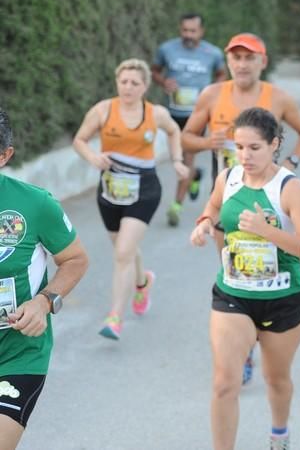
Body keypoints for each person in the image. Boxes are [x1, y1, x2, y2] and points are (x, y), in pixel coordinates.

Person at [191, 108, 300, 450]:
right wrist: (203, 222)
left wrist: (265, 231)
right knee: (224, 384)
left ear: (274, 145)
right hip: (233, 294)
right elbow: (214, 207)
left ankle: (279, 433)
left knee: (276, 380)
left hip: (283, 298)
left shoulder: (289, 188)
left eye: (255, 148)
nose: (245, 156)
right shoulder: (227, 178)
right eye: (240, 147)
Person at [73, 59, 189, 339]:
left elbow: (174, 131)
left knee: (123, 251)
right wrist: (93, 157)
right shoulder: (103, 110)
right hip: (110, 189)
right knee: (125, 247)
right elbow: (80, 140)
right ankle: (143, 281)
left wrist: (177, 160)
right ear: (117, 83)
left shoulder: (156, 113)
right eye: (123, 81)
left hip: (145, 188)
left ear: (145, 86)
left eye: (134, 83)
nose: (128, 87)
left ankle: (114, 317)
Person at [0, 108, 89, 450]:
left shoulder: (34, 204)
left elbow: (76, 259)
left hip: (18, 354)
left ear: (5, 155)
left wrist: (44, 302)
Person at [182, 33, 300, 181]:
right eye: (237, 57)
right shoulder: (211, 95)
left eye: (250, 58)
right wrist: (207, 142)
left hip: (267, 191)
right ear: (228, 61)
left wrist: (290, 163)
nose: (242, 65)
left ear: (263, 62)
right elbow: (185, 140)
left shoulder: (279, 98)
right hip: (224, 192)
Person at [152, 13, 227, 227]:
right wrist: (164, 81)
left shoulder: (212, 53)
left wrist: (210, 91)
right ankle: (194, 176)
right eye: (185, 30)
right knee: (176, 157)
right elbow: (155, 71)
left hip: (197, 116)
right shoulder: (167, 49)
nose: (188, 35)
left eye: (193, 31)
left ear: (201, 32)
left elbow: (222, 74)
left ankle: (176, 205)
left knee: (186, 159)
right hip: (173, 113)